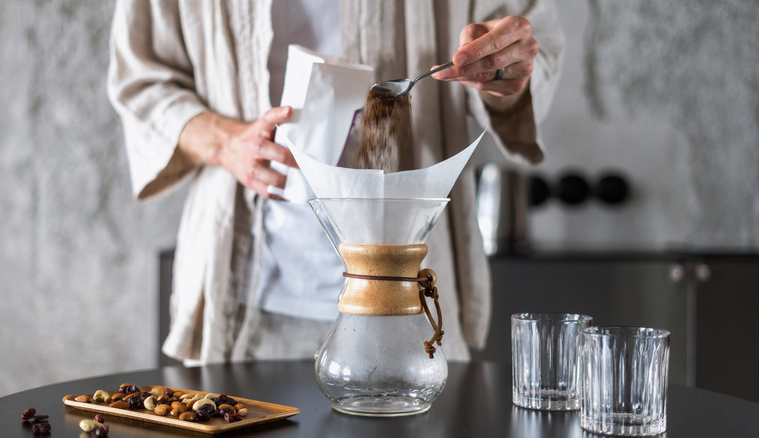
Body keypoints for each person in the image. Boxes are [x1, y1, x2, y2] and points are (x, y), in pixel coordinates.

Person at [107, 0, 563, 364]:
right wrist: (227, 143)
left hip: (408, 306)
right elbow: (142, 79)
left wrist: (503, 65)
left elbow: (524, 51)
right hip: (250, 299)